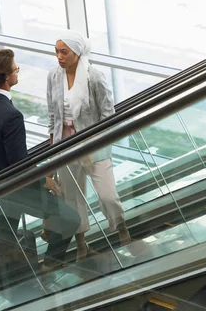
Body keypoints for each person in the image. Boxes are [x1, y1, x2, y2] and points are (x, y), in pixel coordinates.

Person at [0, 49, 80, 275]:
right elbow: (19, 163)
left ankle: (8, 287)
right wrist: (43, 181)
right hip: (18, 191)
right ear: (7, 78)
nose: (18, 72)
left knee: (5, 240)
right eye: (16, 69)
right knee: (70, 219)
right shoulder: (12, 116)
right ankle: (49, 267)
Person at [47, 31, 130, 261]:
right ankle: (81, 243)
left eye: (64, 52)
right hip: (65, 147)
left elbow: (108, 114)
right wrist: (54, 151)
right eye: (57, 52)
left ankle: (121, 228)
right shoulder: (54, 76)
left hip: (93, 146)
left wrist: (96, 141)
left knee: (107, 195)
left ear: (77, 52)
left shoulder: (94, 76)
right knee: (72, 200)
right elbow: (53, 116)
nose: (59, 57)